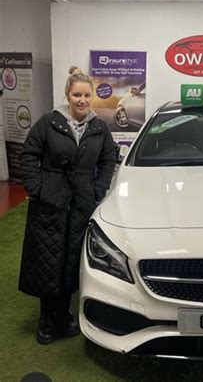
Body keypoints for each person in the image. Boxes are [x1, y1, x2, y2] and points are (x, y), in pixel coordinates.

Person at [19, 67, 116, 345]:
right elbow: (29, 154)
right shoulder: (49, 122)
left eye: (86, 95)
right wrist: (38, 189)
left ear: (91, 96)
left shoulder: (99, 127)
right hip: (49, 203)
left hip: (82, 202)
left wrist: (98, 189)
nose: (82, 100)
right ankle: (47, 318)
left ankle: (65, 314)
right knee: (48, 260)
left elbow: (108, 159)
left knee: (72, 260)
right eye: (76, 95)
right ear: (67, 95)